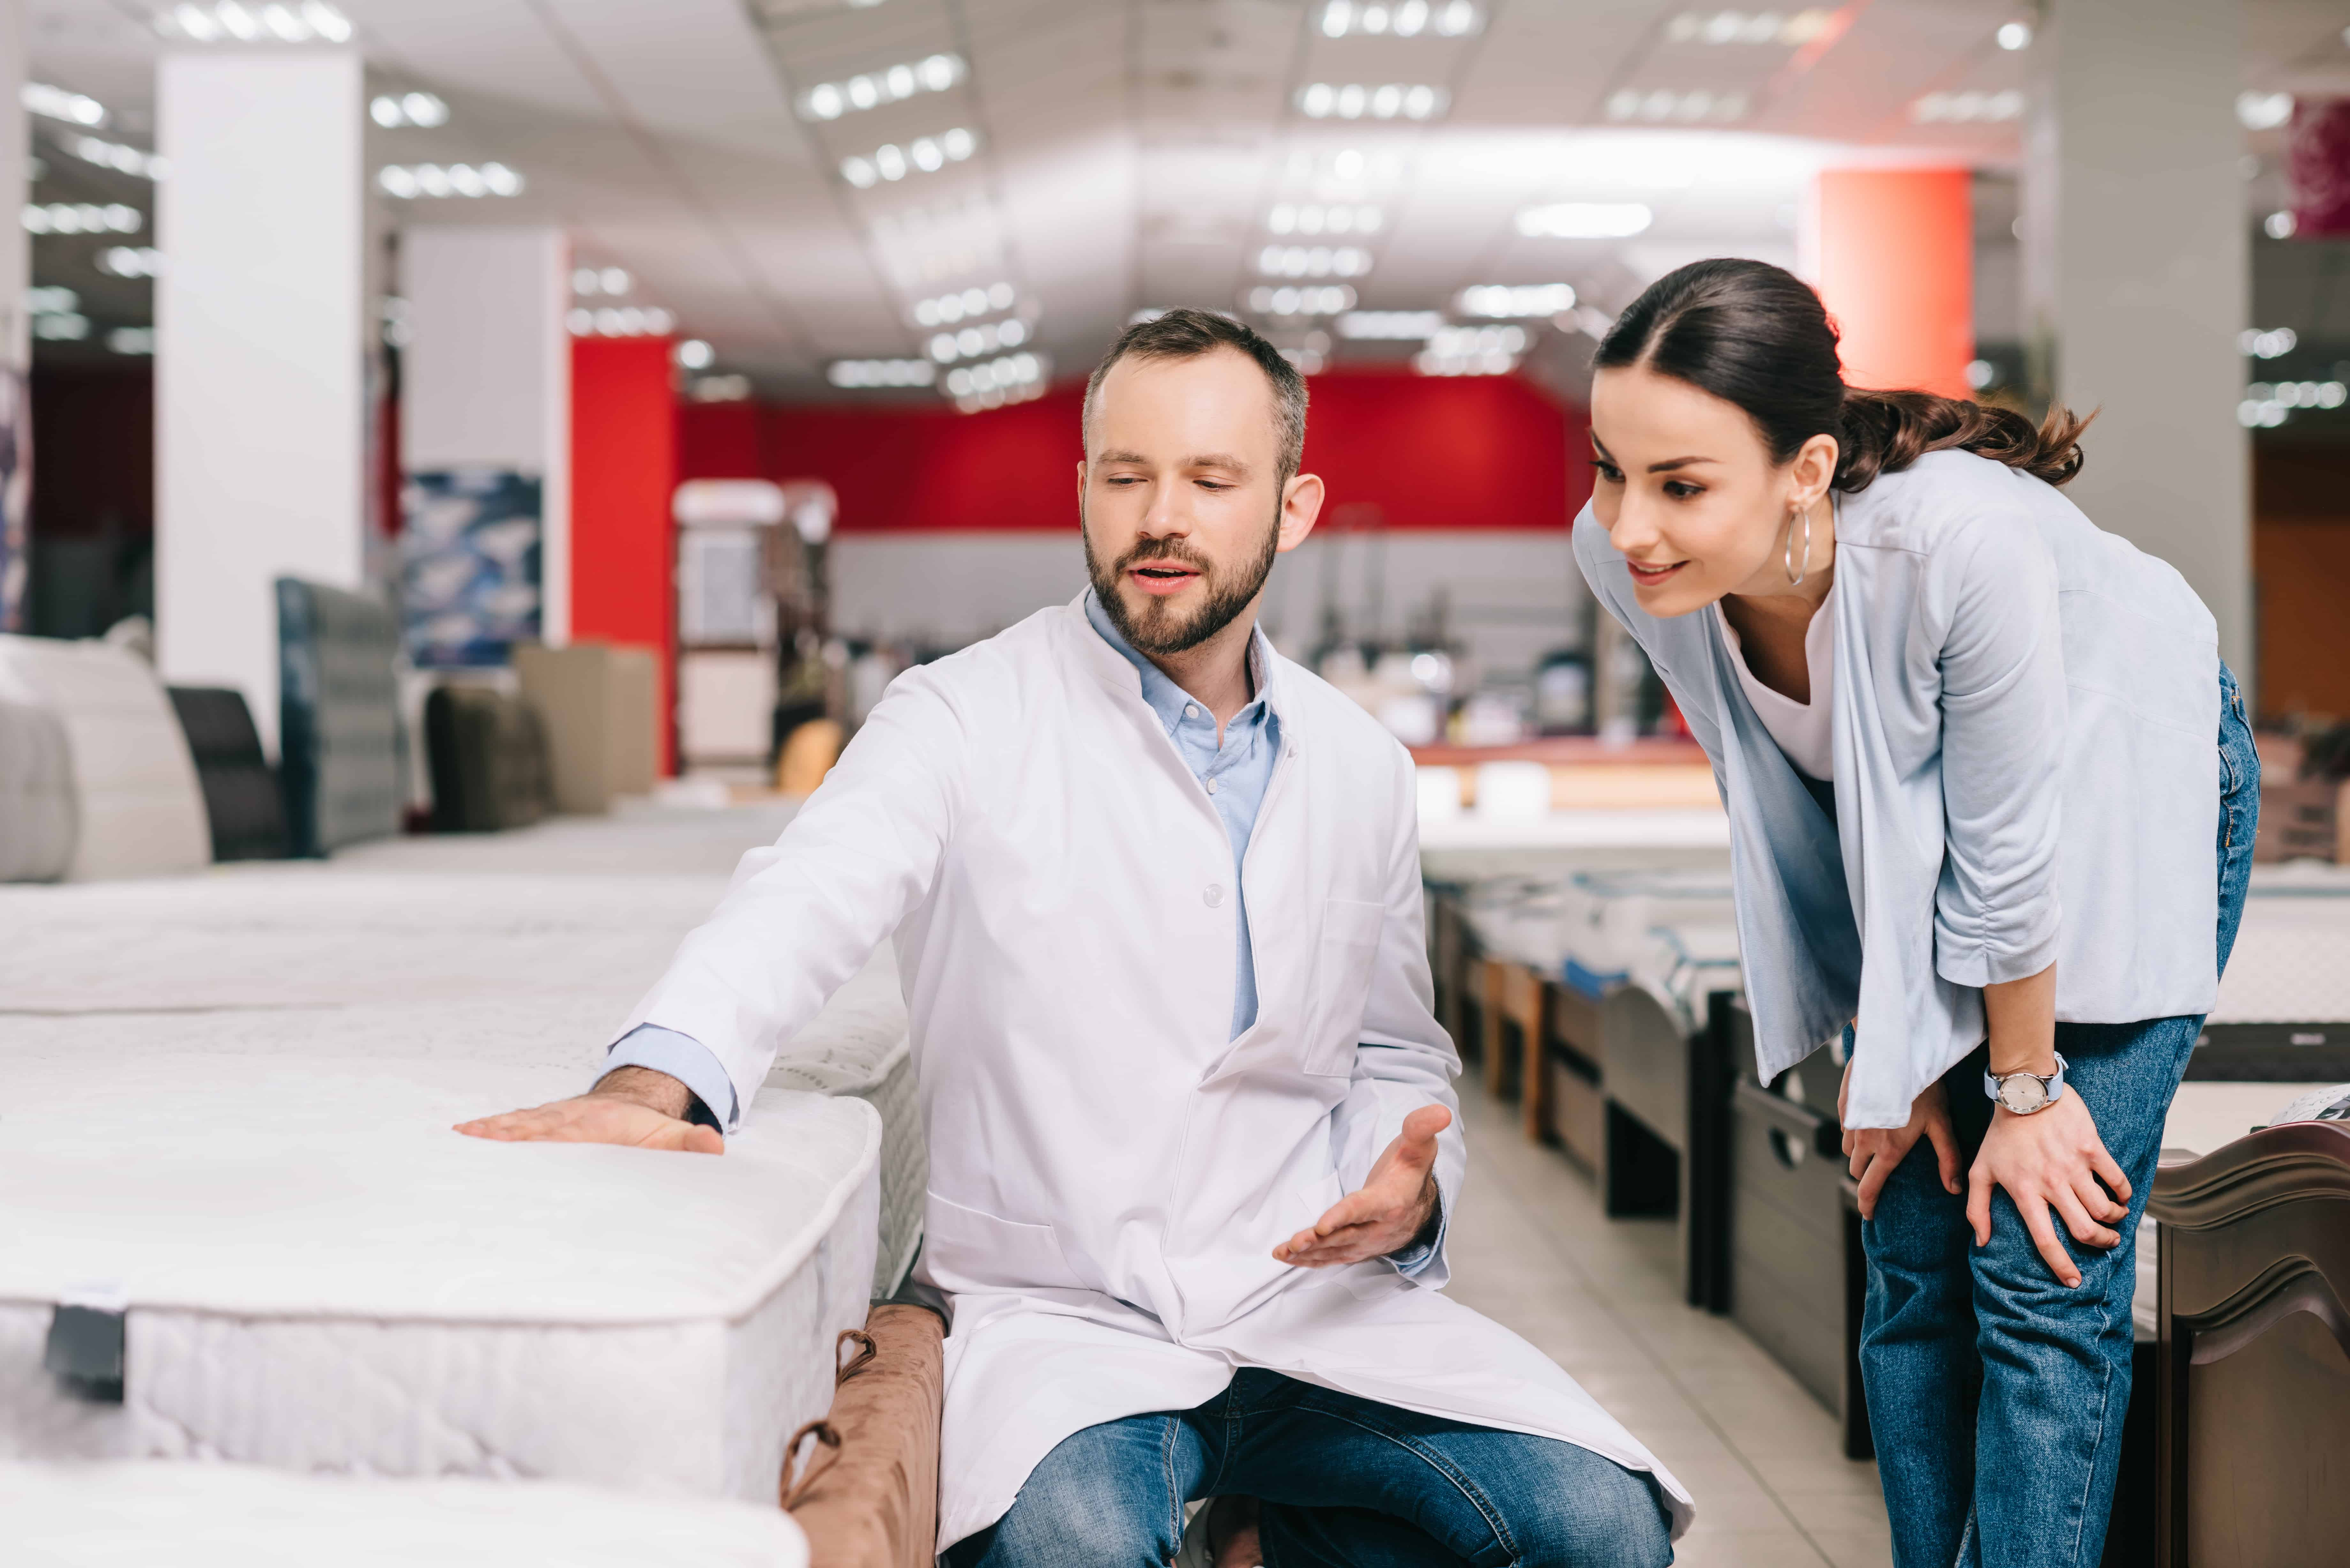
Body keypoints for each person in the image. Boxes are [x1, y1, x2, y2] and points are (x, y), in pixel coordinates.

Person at [460, 309, 1691, 1567]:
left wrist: (1407, 1188)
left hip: (1308, 1307)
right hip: (1061, 1314)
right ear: (1085, 492)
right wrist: (652, 1076)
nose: (1163, 515)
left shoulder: (1360, 765)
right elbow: (805, 891)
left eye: (1212, 480)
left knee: (1603, 1525)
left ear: (1294, 505)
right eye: (1126, 476)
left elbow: (1394, 1052)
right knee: (1073, 1553)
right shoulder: (960, 714)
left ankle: (1276, 1530)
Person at [1573, 258, 2257, 1568]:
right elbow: (1786, 802)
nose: (1628, 525)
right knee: (1909, 1240)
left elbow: (2008, 843)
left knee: (2035, 1262)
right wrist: (1886, 1051)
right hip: (1955, 846)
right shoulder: (1626, 562)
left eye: (1679, 484)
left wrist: (2019, 1083)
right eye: (1609, 468)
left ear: (1805, 467)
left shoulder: (1957, 543)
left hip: (2121, 792)